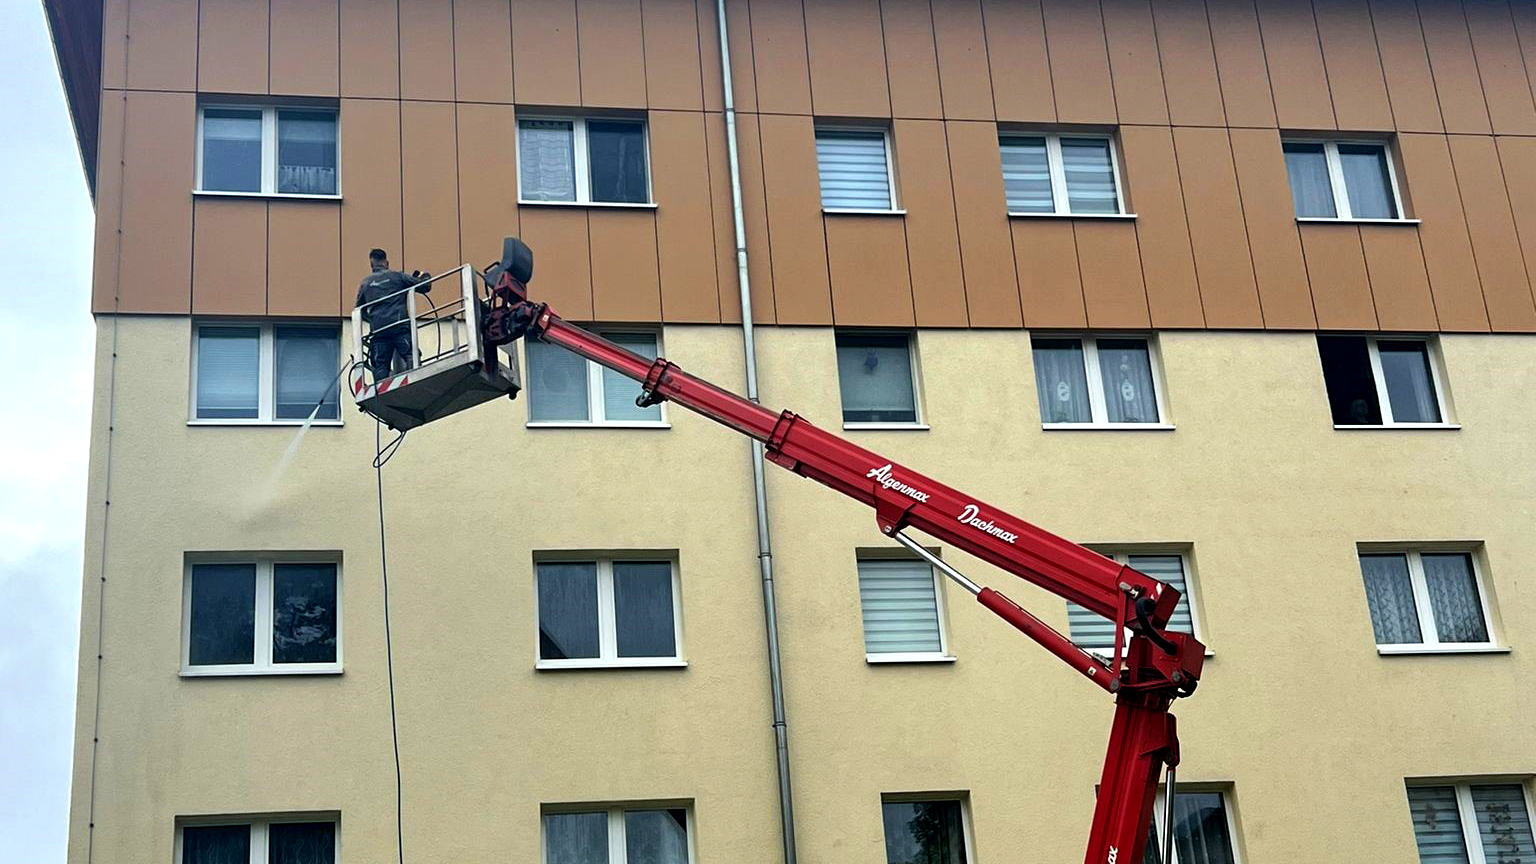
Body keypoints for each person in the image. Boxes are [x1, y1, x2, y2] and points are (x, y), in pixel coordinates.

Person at [354, 248, 431, 381]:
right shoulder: (397, 276)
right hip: (399, 326)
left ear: (372, 264)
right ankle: (414, 382)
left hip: (379, 331)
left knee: (381, 365)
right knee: (410, 356)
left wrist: (373, 320)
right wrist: (426, 277)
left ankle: (380, 395)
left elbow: (359, 310)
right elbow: (424, 286)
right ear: (386, 262)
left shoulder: (365, 284)